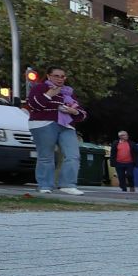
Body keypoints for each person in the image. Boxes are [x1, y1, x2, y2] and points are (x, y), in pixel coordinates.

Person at [25, 67, 85, 195]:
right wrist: (49, 95)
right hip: (44, 124)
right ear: (48, 76)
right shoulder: (39, 88)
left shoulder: (68, 92)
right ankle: (45, 185)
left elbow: (82, 114)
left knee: (73, 155)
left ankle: (68, 185)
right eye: (56, 76)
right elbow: (33, 105)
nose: (60, 79)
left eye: (62, 76)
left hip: (67, 125)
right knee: (46, 156)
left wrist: (74, 111)